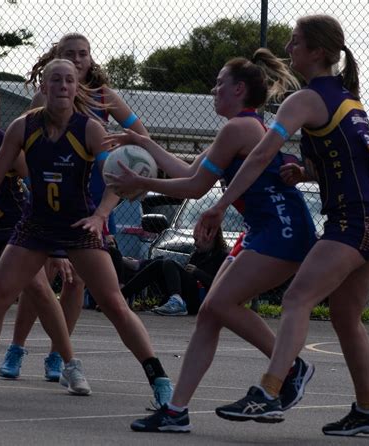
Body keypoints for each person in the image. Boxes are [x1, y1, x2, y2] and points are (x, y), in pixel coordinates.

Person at [195, 15, 369, 436]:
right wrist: (306, 175)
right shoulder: (347, 97)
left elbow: (262, 154)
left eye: (296, 41)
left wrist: (220, 205)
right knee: (344, 317)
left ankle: (269, 390)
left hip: (355, 219)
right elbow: (349, 164)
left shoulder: (304, 100)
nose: (288, 48)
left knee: (297, 299)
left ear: (317, 52)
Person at [105, 49, 318, 432]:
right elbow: (188, 170)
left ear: (238, 89)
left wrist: (141, 182)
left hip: (282, 230)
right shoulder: (239, 127)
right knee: (209, 313)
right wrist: (144, 143)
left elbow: (194, 187)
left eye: (220, 84)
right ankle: (176, 411)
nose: (213, 89)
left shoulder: (240, 129)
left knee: (220, 303)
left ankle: (290, 367)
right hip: (265, 230)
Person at [0, 59, 173, 409]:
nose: (63, 85)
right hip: (34, 225)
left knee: (113, 303)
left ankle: (160, 381)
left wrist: (100, 215)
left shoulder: (90, 129)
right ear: (44, 88)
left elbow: (117, 177)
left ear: (75, 88)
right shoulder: (23, 127)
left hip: (79, 225)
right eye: (55, 80)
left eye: (69, 80)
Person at [0, 32, 150, 381]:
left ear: (91, 59)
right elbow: (23, 147)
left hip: (93, 199)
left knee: (77, 281)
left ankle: (57, 354)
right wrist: (33, 180)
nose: (78, 60)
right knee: (40, 277)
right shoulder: (43, 98)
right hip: (49, 196)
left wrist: (135, 154)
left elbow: (140, 134)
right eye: (70, 54)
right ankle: (17, 346)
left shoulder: (104, 97)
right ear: (57, 57)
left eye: (83, 54)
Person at [0, 80, 91, 404]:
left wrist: (54, 245)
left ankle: (69, 363)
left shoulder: (6, 145)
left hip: (16, 229)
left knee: (37, 288)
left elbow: (39, 189)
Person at [121, 228, 229, 316]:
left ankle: (177, 302)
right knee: (159, 263)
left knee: (169, 263)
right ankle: (122, 295)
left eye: (197, 240)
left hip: (202, 299)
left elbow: (220, 286)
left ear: (210, 238)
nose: (195, 244)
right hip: (189, 294)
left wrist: (198, 272)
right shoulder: (198, 254)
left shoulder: (222, 256)